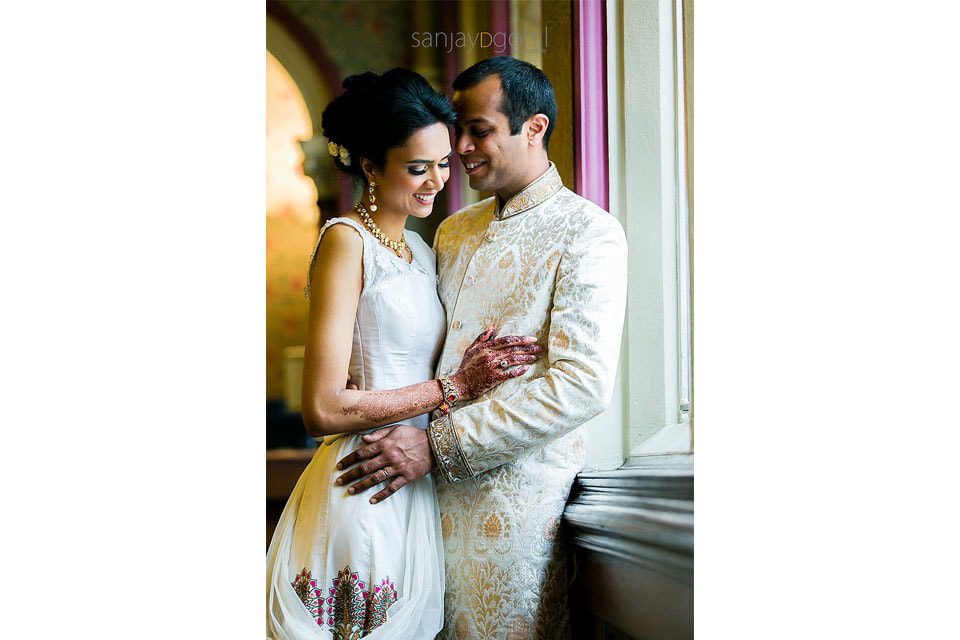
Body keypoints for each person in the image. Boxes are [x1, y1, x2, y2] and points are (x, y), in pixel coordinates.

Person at [334, 56, 629, 639]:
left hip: (516, 516)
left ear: (535, 128)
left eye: (481, 131)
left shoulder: (589, 232)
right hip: (410, 501)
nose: (462, 147)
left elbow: (579, 384)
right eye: (457, 130)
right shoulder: (451, 231)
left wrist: (436, 444)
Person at [266, 68, 544, 640]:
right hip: (362, 479)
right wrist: (455, 388)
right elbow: (321, 407)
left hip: (414, 478)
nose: (436, 182)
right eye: (417, 168)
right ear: (369, 166)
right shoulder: (346, 241)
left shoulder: (422, 247)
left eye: (443, 163)